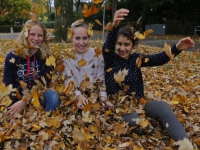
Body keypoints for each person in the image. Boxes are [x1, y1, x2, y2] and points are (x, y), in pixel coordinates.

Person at [102, 8, 195, 149]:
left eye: (126, 44)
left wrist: (177, 48)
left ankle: (184, 143)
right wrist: (114, 26)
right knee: (139, 124)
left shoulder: (137, 58)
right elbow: (107, 48)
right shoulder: (111, 59)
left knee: (162, 107)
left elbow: (159, 58)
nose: (122, 48)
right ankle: (134, 125)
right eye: (119, 44)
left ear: (134, 46)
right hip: (118, 108)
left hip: (140, 103)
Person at [3, 19, 60, 117]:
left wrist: (25, 101)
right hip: (17, 98)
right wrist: (14, 107)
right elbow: (8, 85)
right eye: (32, 34)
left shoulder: (48, 58)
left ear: (44, 37)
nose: (36, 38)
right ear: (25, 35)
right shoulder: (12, 57)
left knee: (53, 94)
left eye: (40, 35)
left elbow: (43, 83)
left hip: (38, 97)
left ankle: (48, 122)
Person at [63, 19, 113, 109]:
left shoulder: (96, 54)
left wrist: (103, 97)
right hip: (74, 97)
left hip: (95, 97)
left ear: (89, 38)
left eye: (85, 38)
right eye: (77, 38)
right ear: (71, 38)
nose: (81, 43)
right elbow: (68, 81)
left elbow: (101, 78)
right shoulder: (66, 57)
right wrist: (79, 96)